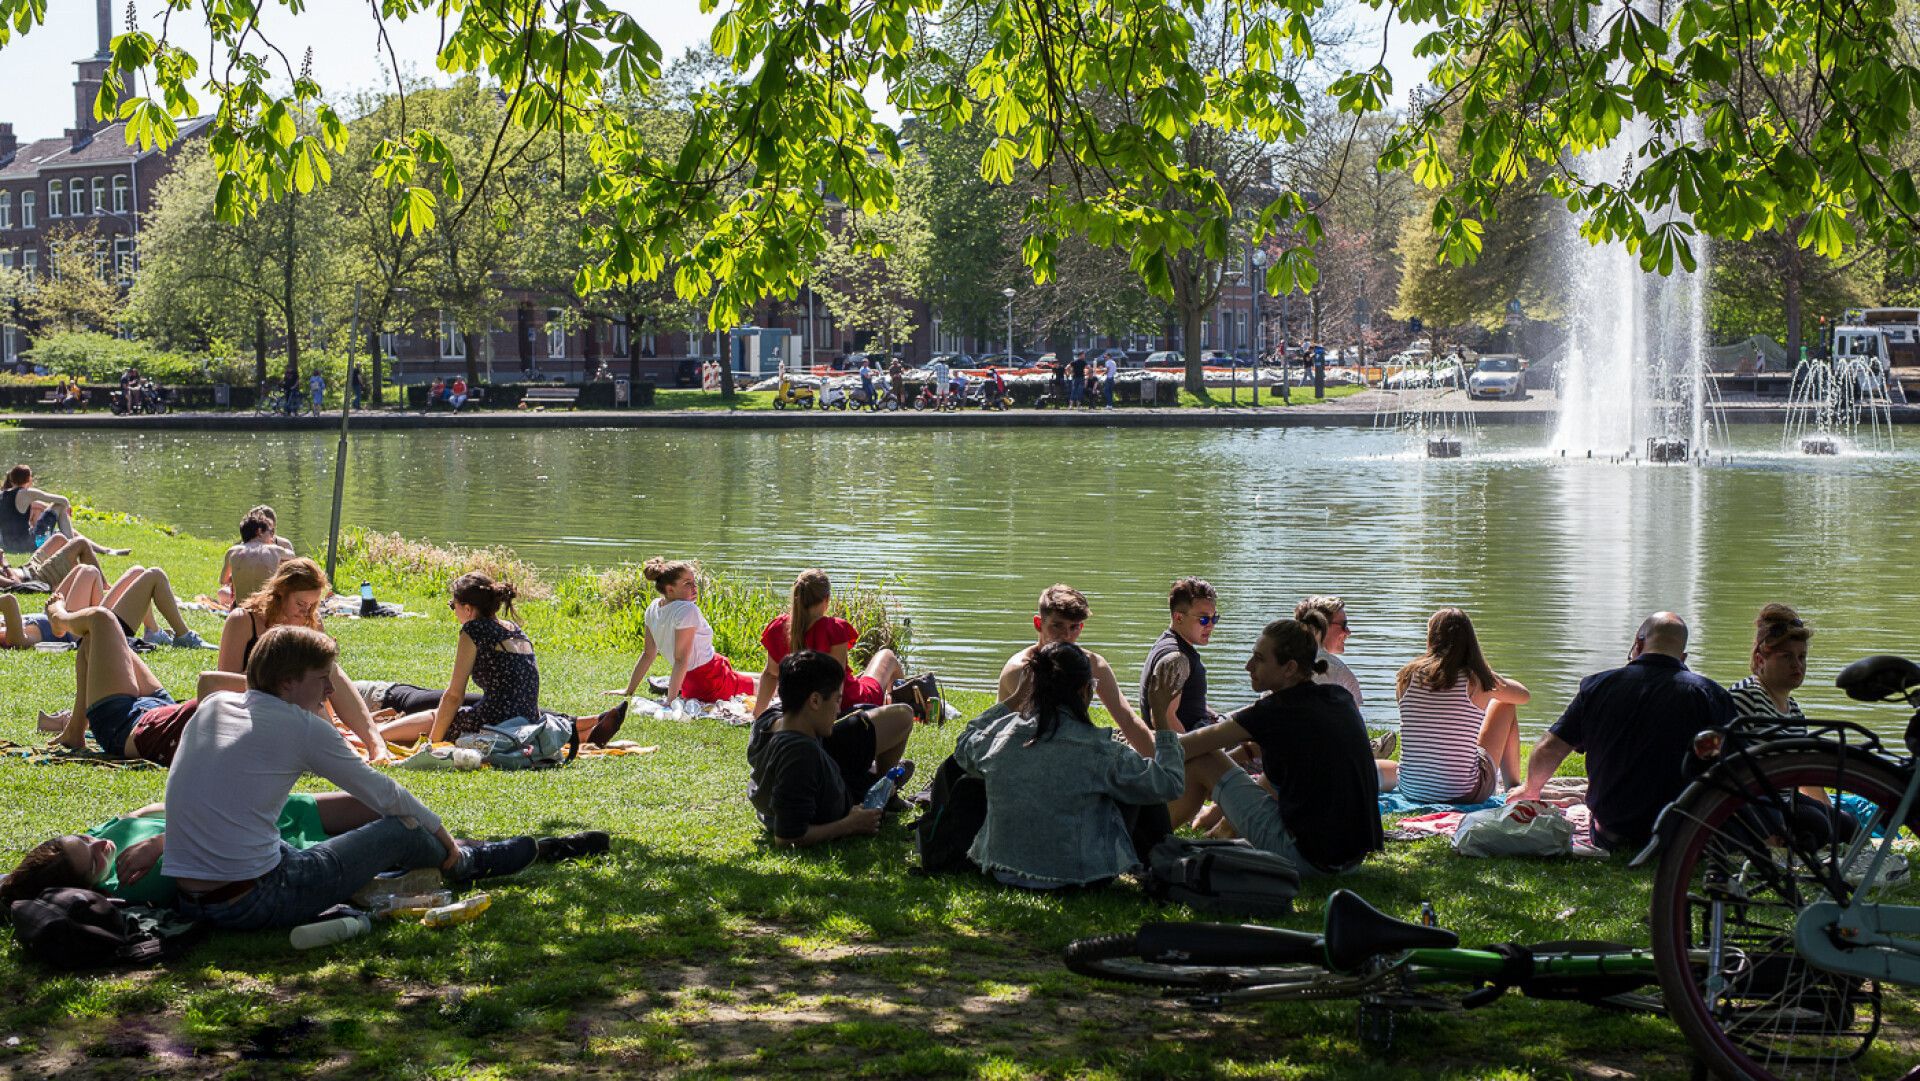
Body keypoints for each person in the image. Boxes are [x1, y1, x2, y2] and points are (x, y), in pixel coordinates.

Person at [160, 627, 542, 929]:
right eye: (322, 679)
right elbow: (387, 796)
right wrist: (446, 840)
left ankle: (413, 868)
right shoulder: (301, 726)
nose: (329, 691)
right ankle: (469, 862)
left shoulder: (213, 705)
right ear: (288, 681)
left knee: (300, 840)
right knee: (399, 829)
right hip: (254, 901)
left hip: (189, 899)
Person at [0, 793, 608, 910]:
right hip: (279, 848)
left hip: (266, 814)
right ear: (89, 883)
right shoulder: (131, 882)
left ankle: (465, 847)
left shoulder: (111, 840)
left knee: (389, 812)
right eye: (95, 854)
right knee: (404, 839)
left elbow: (139, 813)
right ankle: (524, 851)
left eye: (91, 836)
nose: (103, 842)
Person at [955, 641, 1184, 889]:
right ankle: (1159, 868)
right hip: (1078, 877)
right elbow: (1170, 783)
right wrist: (1161, 718)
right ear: (1085, 690)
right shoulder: (1100, 750)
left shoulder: (999, 737)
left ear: (1033, 686)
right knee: (1135, 784)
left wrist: (1015, 698)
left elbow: (965, 741)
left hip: (1003, 870)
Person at [1515, 613, 1736, 852]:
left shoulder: (1598, 686)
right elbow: (1732, 765)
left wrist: (1530, 790)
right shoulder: (1711, 695)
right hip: (1684, 835)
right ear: (1683, 657)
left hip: (1613, 832)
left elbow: (1551, 747)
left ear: (1638, 645)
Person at [1178, 619, 1384, 875]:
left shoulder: (1275, 711)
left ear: (1290, 668)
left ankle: (1150, 838)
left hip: (1310, 859)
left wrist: (1147, 707)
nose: (1248, 666)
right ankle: (1184, 835)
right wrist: (1245, 752)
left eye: (1259, 659)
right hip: (1351, 859)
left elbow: (1184, 747)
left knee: (1203, 759)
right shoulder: (1337, 697)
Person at [216, 558, 391, 762]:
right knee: (304, 680)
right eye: (300, 604)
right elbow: (223, 684)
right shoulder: (243, 620)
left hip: (302, 704)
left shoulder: (311, 622)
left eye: (312, 605)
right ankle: (343, 750)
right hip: (255, 706)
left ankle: (375, 744)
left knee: (329, 669)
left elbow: (323, 685)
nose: (306, 611)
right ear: (281, 592)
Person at [43, 571, 225, 765]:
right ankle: (74, 731)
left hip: (133, 728)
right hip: (167, 712)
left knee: (101, 618)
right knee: (91, 639)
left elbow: (210, 683)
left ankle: (58, 617)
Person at [746, 650, 921, 846]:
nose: (838, 710)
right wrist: (850, 824)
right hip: (845, 798)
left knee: (879, 722)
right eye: (837, 700)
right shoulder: (799, 754)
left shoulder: (768, 722)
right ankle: (880, 784)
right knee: (899, 727)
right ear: (814, 701)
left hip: (827, 784)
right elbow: (787, 838)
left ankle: (880, 779)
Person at [996, 584, 1153, 756]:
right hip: (1028, 753)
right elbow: (1040, 732)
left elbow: (1128, 721)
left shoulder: (1094, 664)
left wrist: (1160, 766)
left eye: (1074, 627)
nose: (1066, 636)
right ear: (1038, 623)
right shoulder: (1021, 669)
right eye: (1057, 626)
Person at [1391, 608, 1530, 802]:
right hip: (1463, 794)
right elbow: (1523, 696)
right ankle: (1513, 787)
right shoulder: (1477, 680)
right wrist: (1489, 674)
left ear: (1431, 639)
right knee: (1505, 705)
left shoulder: (1405, 676)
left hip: (1411, 790)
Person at [752, 569, 905, 716]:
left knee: (867, 672)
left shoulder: (778, 627)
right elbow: (837, 682)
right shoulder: (834, 629)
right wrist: (833, 717)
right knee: (887, 656)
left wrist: (758, 715)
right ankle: (906, 707)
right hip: (850, 702)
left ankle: (895, 703)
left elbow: (770, 674)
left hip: (802, 707)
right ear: (826, 600)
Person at [617, 557, 758, 703]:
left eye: (694, 582)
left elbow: (648, 654)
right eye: (687, 584)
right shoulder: (687, 609)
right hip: (710, 682)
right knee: (772, 685)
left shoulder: (653, 607)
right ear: (670, 589)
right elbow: (681, 660)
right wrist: (670, 702)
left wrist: (629, 690)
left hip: (699, 677)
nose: (694, 588)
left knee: (765, 676)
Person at [0, 464, 127, 557]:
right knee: (59, 506)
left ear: (12, 479)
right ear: (29, 479)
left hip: (9, 546)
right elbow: (62, 500)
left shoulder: (2, 495)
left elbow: (37, 505)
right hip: (28, 544)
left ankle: (104, 550)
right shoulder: (28, 493)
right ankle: (74, 548)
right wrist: (67, 508)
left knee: (57, 529)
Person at [1728, 603, 1811, 728]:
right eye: (1786, 656)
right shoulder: (1744, 698)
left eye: (1801, 656)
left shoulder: (1794, 710)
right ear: (1760, 660)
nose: (1797, 664)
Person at [1295, 595, 1363, 709]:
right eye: (1344, 625)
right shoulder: (1334, 670)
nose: (1348, 632)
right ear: (1319, 627)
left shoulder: (1282, 661)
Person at [220, 509, 292, 608]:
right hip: (266, 609)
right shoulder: (276, 550)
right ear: (259, 532)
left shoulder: (232, 552)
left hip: (241, 609)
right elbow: (293, 557)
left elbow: (223, 581)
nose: (272, 537)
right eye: (270, 532)